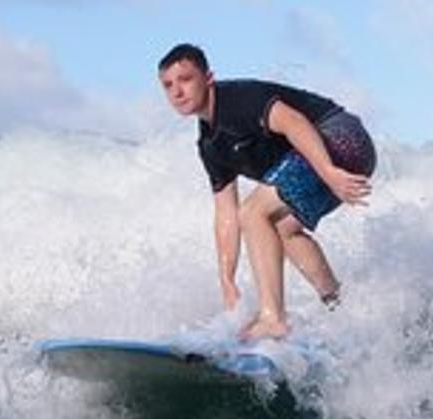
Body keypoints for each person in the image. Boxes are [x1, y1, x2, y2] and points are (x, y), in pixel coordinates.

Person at [158, 43, 376, 339]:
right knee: (283, 229)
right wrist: (226, 278)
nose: (177, 91)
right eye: (168, 85)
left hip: (340, 138)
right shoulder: (210, 145)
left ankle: (272, 318)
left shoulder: (237, 100)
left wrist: (328, 171)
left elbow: (294, 122)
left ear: (208, 78)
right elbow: (225, 214)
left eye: (185, 79)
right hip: (325, 158)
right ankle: (338, 306)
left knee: (254, 211)